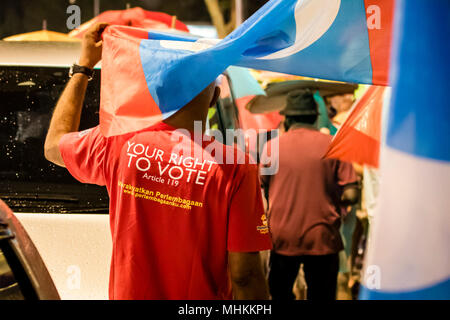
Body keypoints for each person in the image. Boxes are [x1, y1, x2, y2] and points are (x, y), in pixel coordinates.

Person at [44, 23, 271, 300]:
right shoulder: (236, 166)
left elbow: (54, 146)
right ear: (214, 97)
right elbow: (245, 275)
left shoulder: (117, 141)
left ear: (157, 93)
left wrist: (84, 67)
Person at [261, 89, 358, 300]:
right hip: (323, 236)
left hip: (282, 236)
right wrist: (330, 197)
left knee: (279, 293)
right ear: (315, 117)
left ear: (287, 119)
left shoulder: (271, 148)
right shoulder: (334, 145)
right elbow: (351, 195)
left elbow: (261, 189)